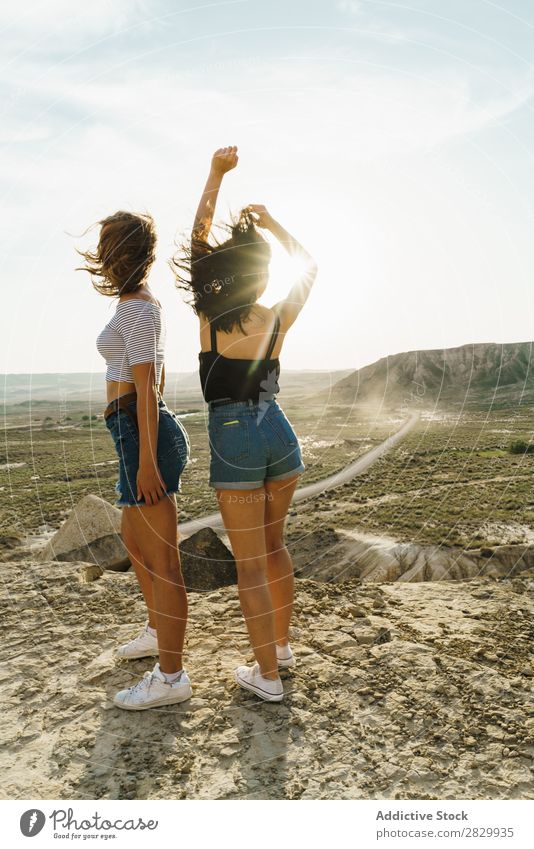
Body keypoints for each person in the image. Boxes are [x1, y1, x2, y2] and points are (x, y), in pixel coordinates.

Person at [172, 147, 317, 702]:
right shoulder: (277, 317)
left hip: (234, 434)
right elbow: (310, 264)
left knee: (250, 565)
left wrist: (213, 174)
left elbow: (197, 240)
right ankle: (279, 648)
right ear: (259, 276)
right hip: (278, 428)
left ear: (219, 275)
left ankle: (269, 679)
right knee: (275, 548)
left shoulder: (210, 318)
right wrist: (274, 223)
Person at [79, 210, 191, 710]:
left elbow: (147, 386)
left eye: (112, 245)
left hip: (141, 431)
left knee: (164, 561)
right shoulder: (134, 303)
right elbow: (155, 377)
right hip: (131, 430)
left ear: (126, 253)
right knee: (134, 542)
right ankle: (155, 629)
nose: (106, 255)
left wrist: (147, 461)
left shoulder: (138, 307)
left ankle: (171, 677)